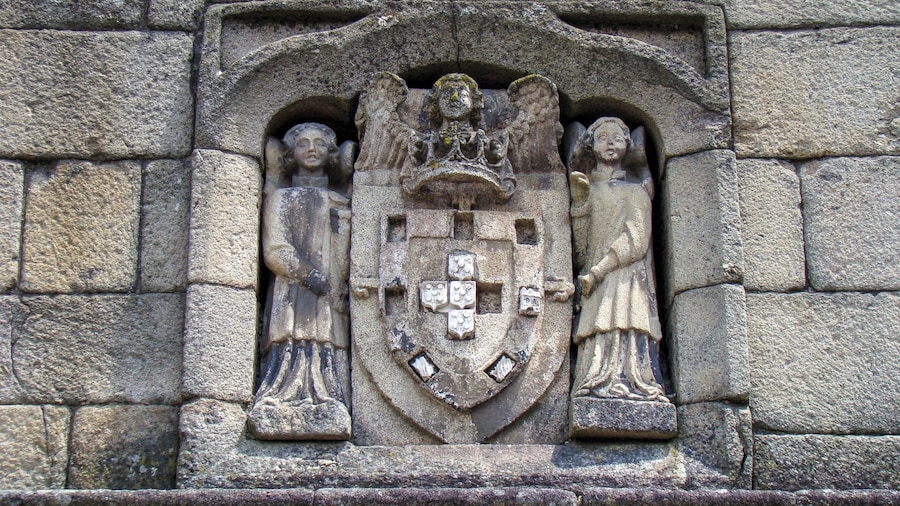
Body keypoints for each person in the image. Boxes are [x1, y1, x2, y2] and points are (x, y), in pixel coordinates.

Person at [253, 122, 352, 413]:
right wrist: (308, 275)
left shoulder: (341, 200)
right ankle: (285, 396)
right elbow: (275, 249)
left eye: (320, 143)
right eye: (303, 143)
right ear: (290, 153)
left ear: (331, 153)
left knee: (330, 341)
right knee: (291, 339)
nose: (311, 149)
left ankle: (332, 395)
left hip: (332, 290)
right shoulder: (281, 198)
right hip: (294, 288)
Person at [569, 117, 667, 402]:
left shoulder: (636, 192)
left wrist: (599, 271)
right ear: (590, 146)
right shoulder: (589, 189)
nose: (610, 143)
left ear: (628, 145)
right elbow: (581, 249)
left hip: (625, 276)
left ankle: (633, 382)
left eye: (617, 138)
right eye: (602, 138)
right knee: (598, 328)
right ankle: (594, 381)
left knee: (625, 323)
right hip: (595, 276)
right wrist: (580, 205)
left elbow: (636, 240)